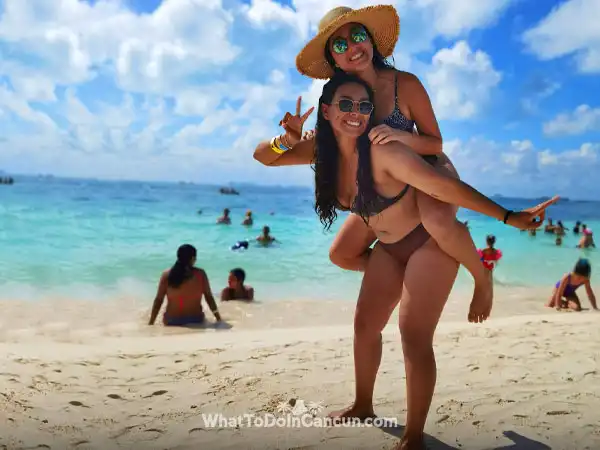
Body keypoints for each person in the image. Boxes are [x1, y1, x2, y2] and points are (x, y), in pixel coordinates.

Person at [283, 72, 556, 449]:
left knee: (413, 336)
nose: (356, 112)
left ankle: (414, 436)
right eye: (345, 105)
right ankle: (363, 405)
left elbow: (447, 186)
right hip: (390, 247)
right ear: (327, 112)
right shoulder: (333, 151)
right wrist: (286, 140)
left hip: (430, 244)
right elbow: (265, 156)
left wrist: (509, 217)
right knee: (364, 327)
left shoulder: (385, 143)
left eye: (362, 106)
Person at [254, 4, 495, 324]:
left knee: (437, 221)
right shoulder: (339, 107)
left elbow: (434, 142)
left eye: (357, 35)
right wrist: (288, 140)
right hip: (382, 186)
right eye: (340, 45)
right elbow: (265, 158)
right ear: (334, 60)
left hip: (427, 166)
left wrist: (401, 137)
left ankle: (481, 278)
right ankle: (401, 272)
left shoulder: (403, 84)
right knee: (340, 253)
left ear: (370, 39)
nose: (352, 47)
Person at [148, 244, 222, 326]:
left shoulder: (167, 275)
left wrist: (151, 322)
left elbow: (158, 300)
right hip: (196, 319)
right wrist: (218, 318)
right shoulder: (200, 274)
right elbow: (209, 297)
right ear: (193, 258)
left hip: (172, 320)